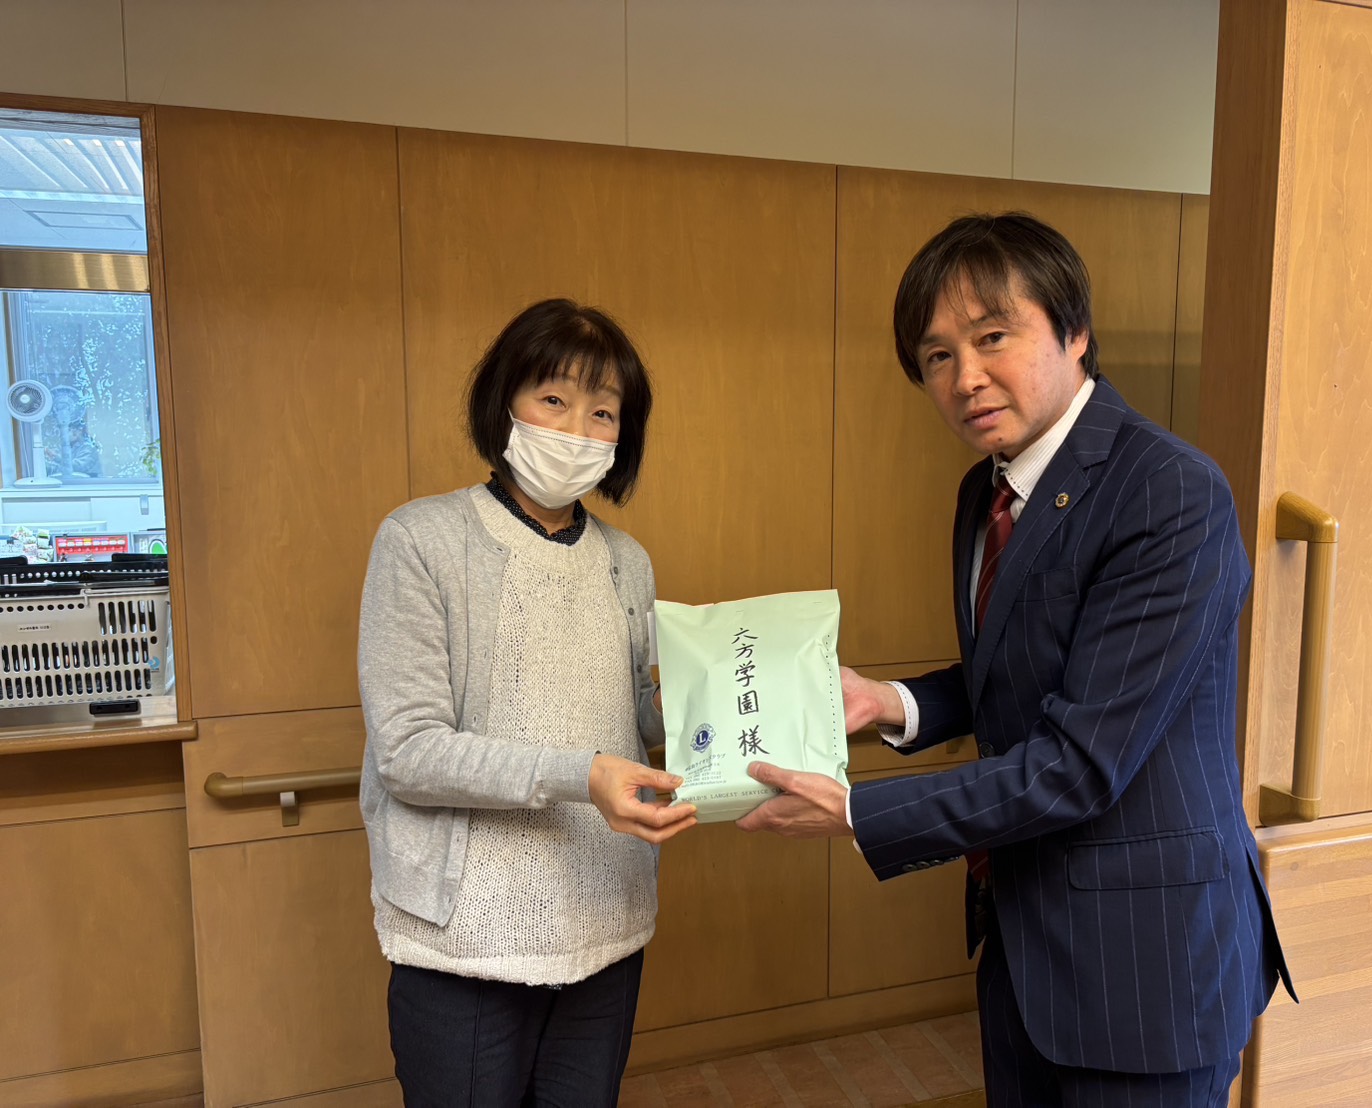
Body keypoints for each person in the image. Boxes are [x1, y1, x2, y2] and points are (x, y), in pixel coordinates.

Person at [737, 213, 1294, 1105]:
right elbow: (1025, 673)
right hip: (1023, 946)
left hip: (1146, 964)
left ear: (1074, 332)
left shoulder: (1167, 490)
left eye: (992, 337)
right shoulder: (985, 489)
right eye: (937, 356)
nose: (964, 378)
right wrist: (889, 703)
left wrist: (857, 812)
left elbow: (1080, 762)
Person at [358, 298, 696, 1107]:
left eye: (602, 412)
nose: (578, 430)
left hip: (606, 919)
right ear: (502, 402)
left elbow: (641, 720)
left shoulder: (626, 561)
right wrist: (582, 774)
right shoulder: (420, 540)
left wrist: (729, 693)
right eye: (553, 399)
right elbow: (408, 751)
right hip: (466, 939)